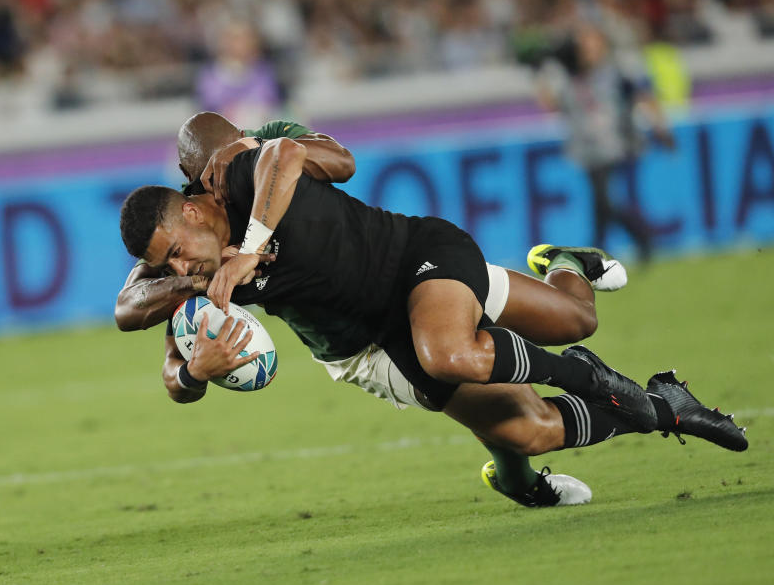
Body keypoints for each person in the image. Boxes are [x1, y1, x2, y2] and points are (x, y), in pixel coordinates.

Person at [118, 137, 748, 505]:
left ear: (197, 212)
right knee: (528, 431)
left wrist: (253, 245)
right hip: (374, 344)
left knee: (563, 326)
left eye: (176, 250)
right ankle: (661, 404)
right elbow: (170, 366)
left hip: (414, 255)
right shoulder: (192, 279)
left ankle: (583, 371)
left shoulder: (239, 173)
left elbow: (283, 153)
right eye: (163, 265)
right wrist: (195, 372)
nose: (179, 269)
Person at [537, 23, 675, 263]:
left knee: (605, 200)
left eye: (590, 42)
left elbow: (643, 94)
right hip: (586, 148)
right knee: (601, 203)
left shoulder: (617, 71)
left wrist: (659, 126)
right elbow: (552, 104)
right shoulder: (568, 75)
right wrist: (540, 72)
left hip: (617, 144)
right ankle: (604, 251)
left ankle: (634, 240)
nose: (586, 49)